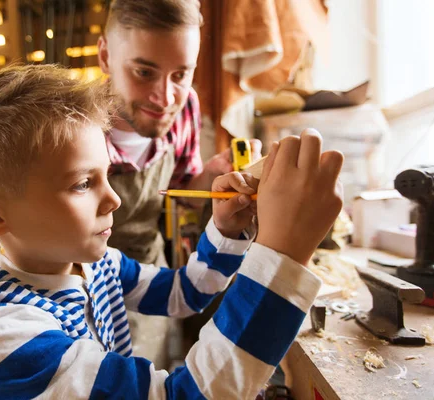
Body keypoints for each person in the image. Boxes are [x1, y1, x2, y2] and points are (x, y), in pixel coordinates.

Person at [0, 64, 343, 399]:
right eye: (82, 183)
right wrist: (282, 255)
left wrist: (225, 229)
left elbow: (185, 292)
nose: (115, 200)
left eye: (106, 175)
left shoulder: (91, 266)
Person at [98, 0, 262, 365]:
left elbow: (181, 193)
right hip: (86, 295)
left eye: (181, 74)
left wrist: (212, 176)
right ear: (106, 56)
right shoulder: (74, 130)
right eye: (144, 72)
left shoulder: (185, 106)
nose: (166, 96)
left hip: (156, 283)